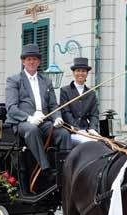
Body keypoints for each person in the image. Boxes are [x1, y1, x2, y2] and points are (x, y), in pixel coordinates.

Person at [5, 43, 72, 175]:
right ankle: (45, 169)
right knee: (32, 130)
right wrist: (29, 118)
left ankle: (65, 170)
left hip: (45, 122)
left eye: (34, 59)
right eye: (28, 59)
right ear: (23, 61)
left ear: (39, 62)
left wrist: (57, 117)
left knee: (64, 134)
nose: (32, 62)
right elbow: (11, 108)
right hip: (23, 123)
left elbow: (54, 105)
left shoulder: (46, 81)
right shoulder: (14, 80)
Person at [59, 57, 100, 144]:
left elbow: (94, 115)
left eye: (83, 71)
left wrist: (92, 128)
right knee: (88, 143)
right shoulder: (65, 91)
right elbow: (66, 112)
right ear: (73, 73)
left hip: (86, 131)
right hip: (71, 131)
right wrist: (77, 129)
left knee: (102, 144)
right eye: (78, 71)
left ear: (87, 73)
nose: (80, 73)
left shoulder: (91, 93)